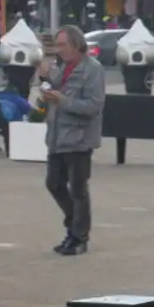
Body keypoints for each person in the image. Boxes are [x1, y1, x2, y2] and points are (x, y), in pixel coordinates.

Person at [41, 25, 106, 257]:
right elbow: (54, 92)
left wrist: (62, 101)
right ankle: (73, 223)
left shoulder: (92, 70)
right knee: (53, 183)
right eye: (57, 45)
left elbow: (93, 106)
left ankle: (79, 237)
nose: (59, 50)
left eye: (63, 45)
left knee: (78, 190)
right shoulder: (63, 68)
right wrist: (46, 80)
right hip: (58, 137)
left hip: (79, 139)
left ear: (77, 45)